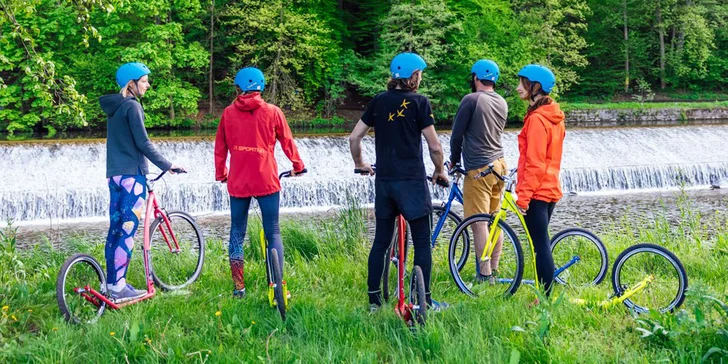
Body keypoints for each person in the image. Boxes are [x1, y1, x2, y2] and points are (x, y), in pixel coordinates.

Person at [348, 52, 449, 312]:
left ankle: (374, 301)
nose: (421, 77)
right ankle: (423, 300)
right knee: (423, 242)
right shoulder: (420, 102)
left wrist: (360, 164)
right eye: (420, 73)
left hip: (385, 182)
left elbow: (354, 138)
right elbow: (435, 146)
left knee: (380, 242)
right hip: (412, 182)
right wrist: (440, 171)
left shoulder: (379, 101)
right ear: (413, 76)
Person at [214, 67, 305, 299]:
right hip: (266, 179)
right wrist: (298, 165)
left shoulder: (227, 113)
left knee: (237, 233)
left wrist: (221, 173)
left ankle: (238, 288)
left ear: (238, 88)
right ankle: (276, 286)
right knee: (273, 231)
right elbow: (287, 141)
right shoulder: (273, 112)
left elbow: (220, 147)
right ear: (261, 87)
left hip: (238, 180)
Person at [99, 62, 185, 302]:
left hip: (115, 176)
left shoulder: (114, 108)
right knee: (127, 232)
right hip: (132, 177)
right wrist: (168, 165)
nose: (148, 85)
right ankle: (119, 287)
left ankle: (110, 282)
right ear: (132, 83)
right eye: (144, 80)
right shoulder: (132, 107)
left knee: (115, 230)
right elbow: (143, 143)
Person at [449, 59, 508, 285]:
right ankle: (493, 269)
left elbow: (456, 136)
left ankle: (483, 274)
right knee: (494, 220)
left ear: (475, 78)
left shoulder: (471, 99)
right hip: (499, 164)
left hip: (479, 168)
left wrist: (454, 162)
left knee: (477, 222)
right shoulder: (501, 101)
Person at [514, 64, 566, 297]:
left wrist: (523, 198)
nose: (518, 88)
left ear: (535, 87)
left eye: (522, 83)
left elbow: (534, 162)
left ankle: (545, 299)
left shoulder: (537, 120)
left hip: (537, 191)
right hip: (550, 187)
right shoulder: (554, 115)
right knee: (541, 244)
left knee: (540, 246)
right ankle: (544, 295)